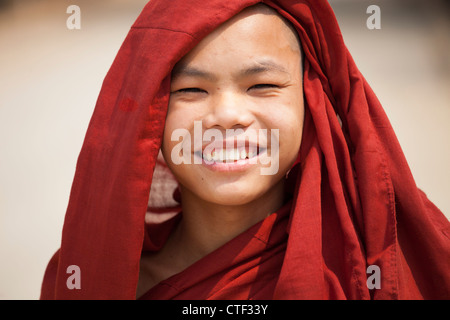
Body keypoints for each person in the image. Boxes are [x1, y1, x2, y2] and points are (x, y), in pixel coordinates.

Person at [41, 0, 450, 300]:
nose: (227, 115)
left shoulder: (389, 247)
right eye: (190, 90)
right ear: (150, 119)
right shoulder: (94, 275)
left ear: (314, 105)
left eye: (262, 86)